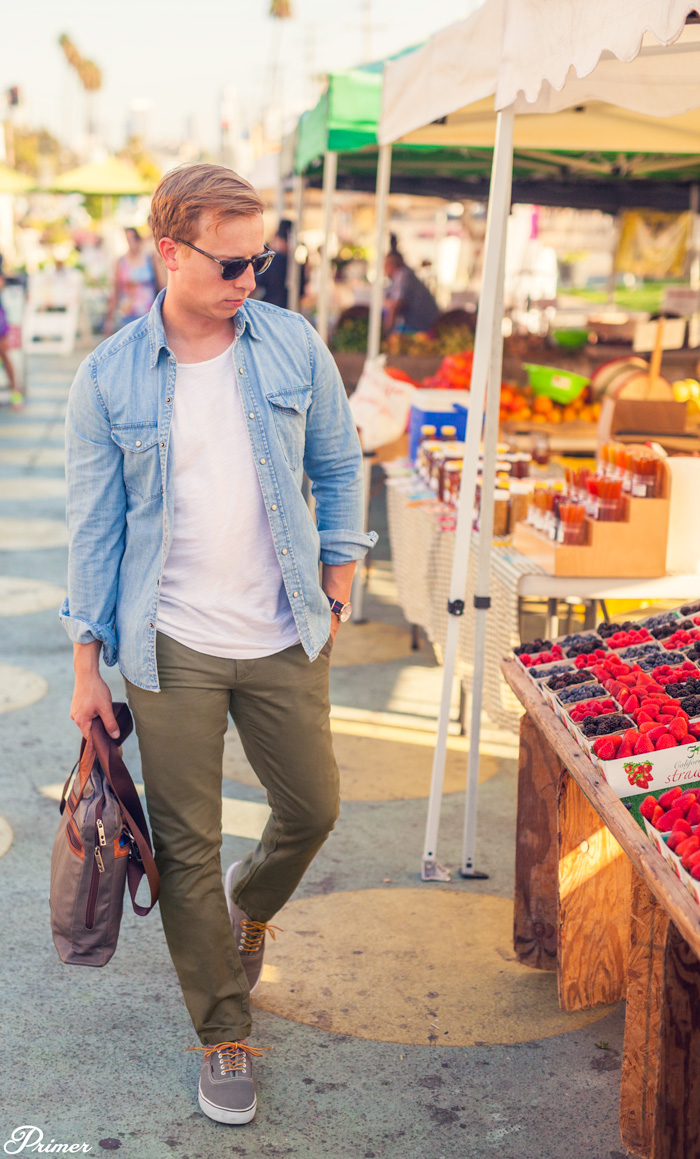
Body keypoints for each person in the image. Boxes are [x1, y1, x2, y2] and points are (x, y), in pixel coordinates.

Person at [61, 163, 376, 1127]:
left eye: (262, 261)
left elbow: (336, 458)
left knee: (314, 804)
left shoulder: (290, 344)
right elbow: (95, 525)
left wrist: (339, 574)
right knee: (186, 843)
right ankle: (222, 1028)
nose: (252, 280)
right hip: (173, 642)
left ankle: (252, 905)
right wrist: (86, 660)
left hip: (285, 628)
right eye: (233, 263)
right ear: (170, 252)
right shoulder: (109, 375)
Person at [104, 226, 161, 332]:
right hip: (128, 313)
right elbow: (116, 289)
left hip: (148, 312)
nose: (131, 242)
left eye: (133, 238)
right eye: (128, 239)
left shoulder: (149, 258)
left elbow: (159, 284)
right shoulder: (121, 262)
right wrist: (110, 318)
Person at [384, 250, 440, 334]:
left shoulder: (403, 276)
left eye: (384, 266)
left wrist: (386, 331)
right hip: (424, 323)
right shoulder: (406, 274)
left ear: (390, 266)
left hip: (421, 327)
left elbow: (397, 305)